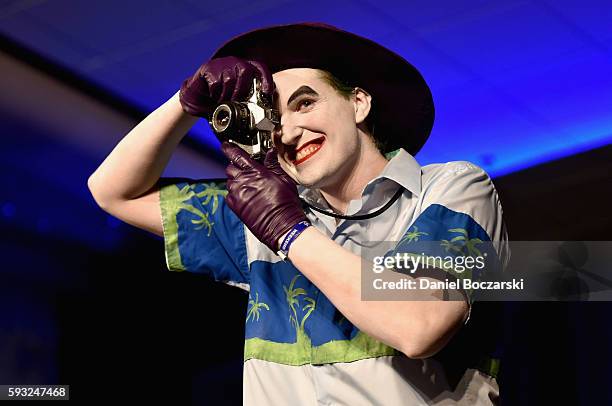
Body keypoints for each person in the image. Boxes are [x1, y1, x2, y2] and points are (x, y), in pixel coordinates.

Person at [88, 23, 509, 405]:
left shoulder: (450, 187)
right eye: (274, 118)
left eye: (305, 104)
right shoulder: (260, 216)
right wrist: (186, 102)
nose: (286, 133)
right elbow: (113, 192)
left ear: (359, 103)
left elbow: (420, 325)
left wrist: (288, 231)